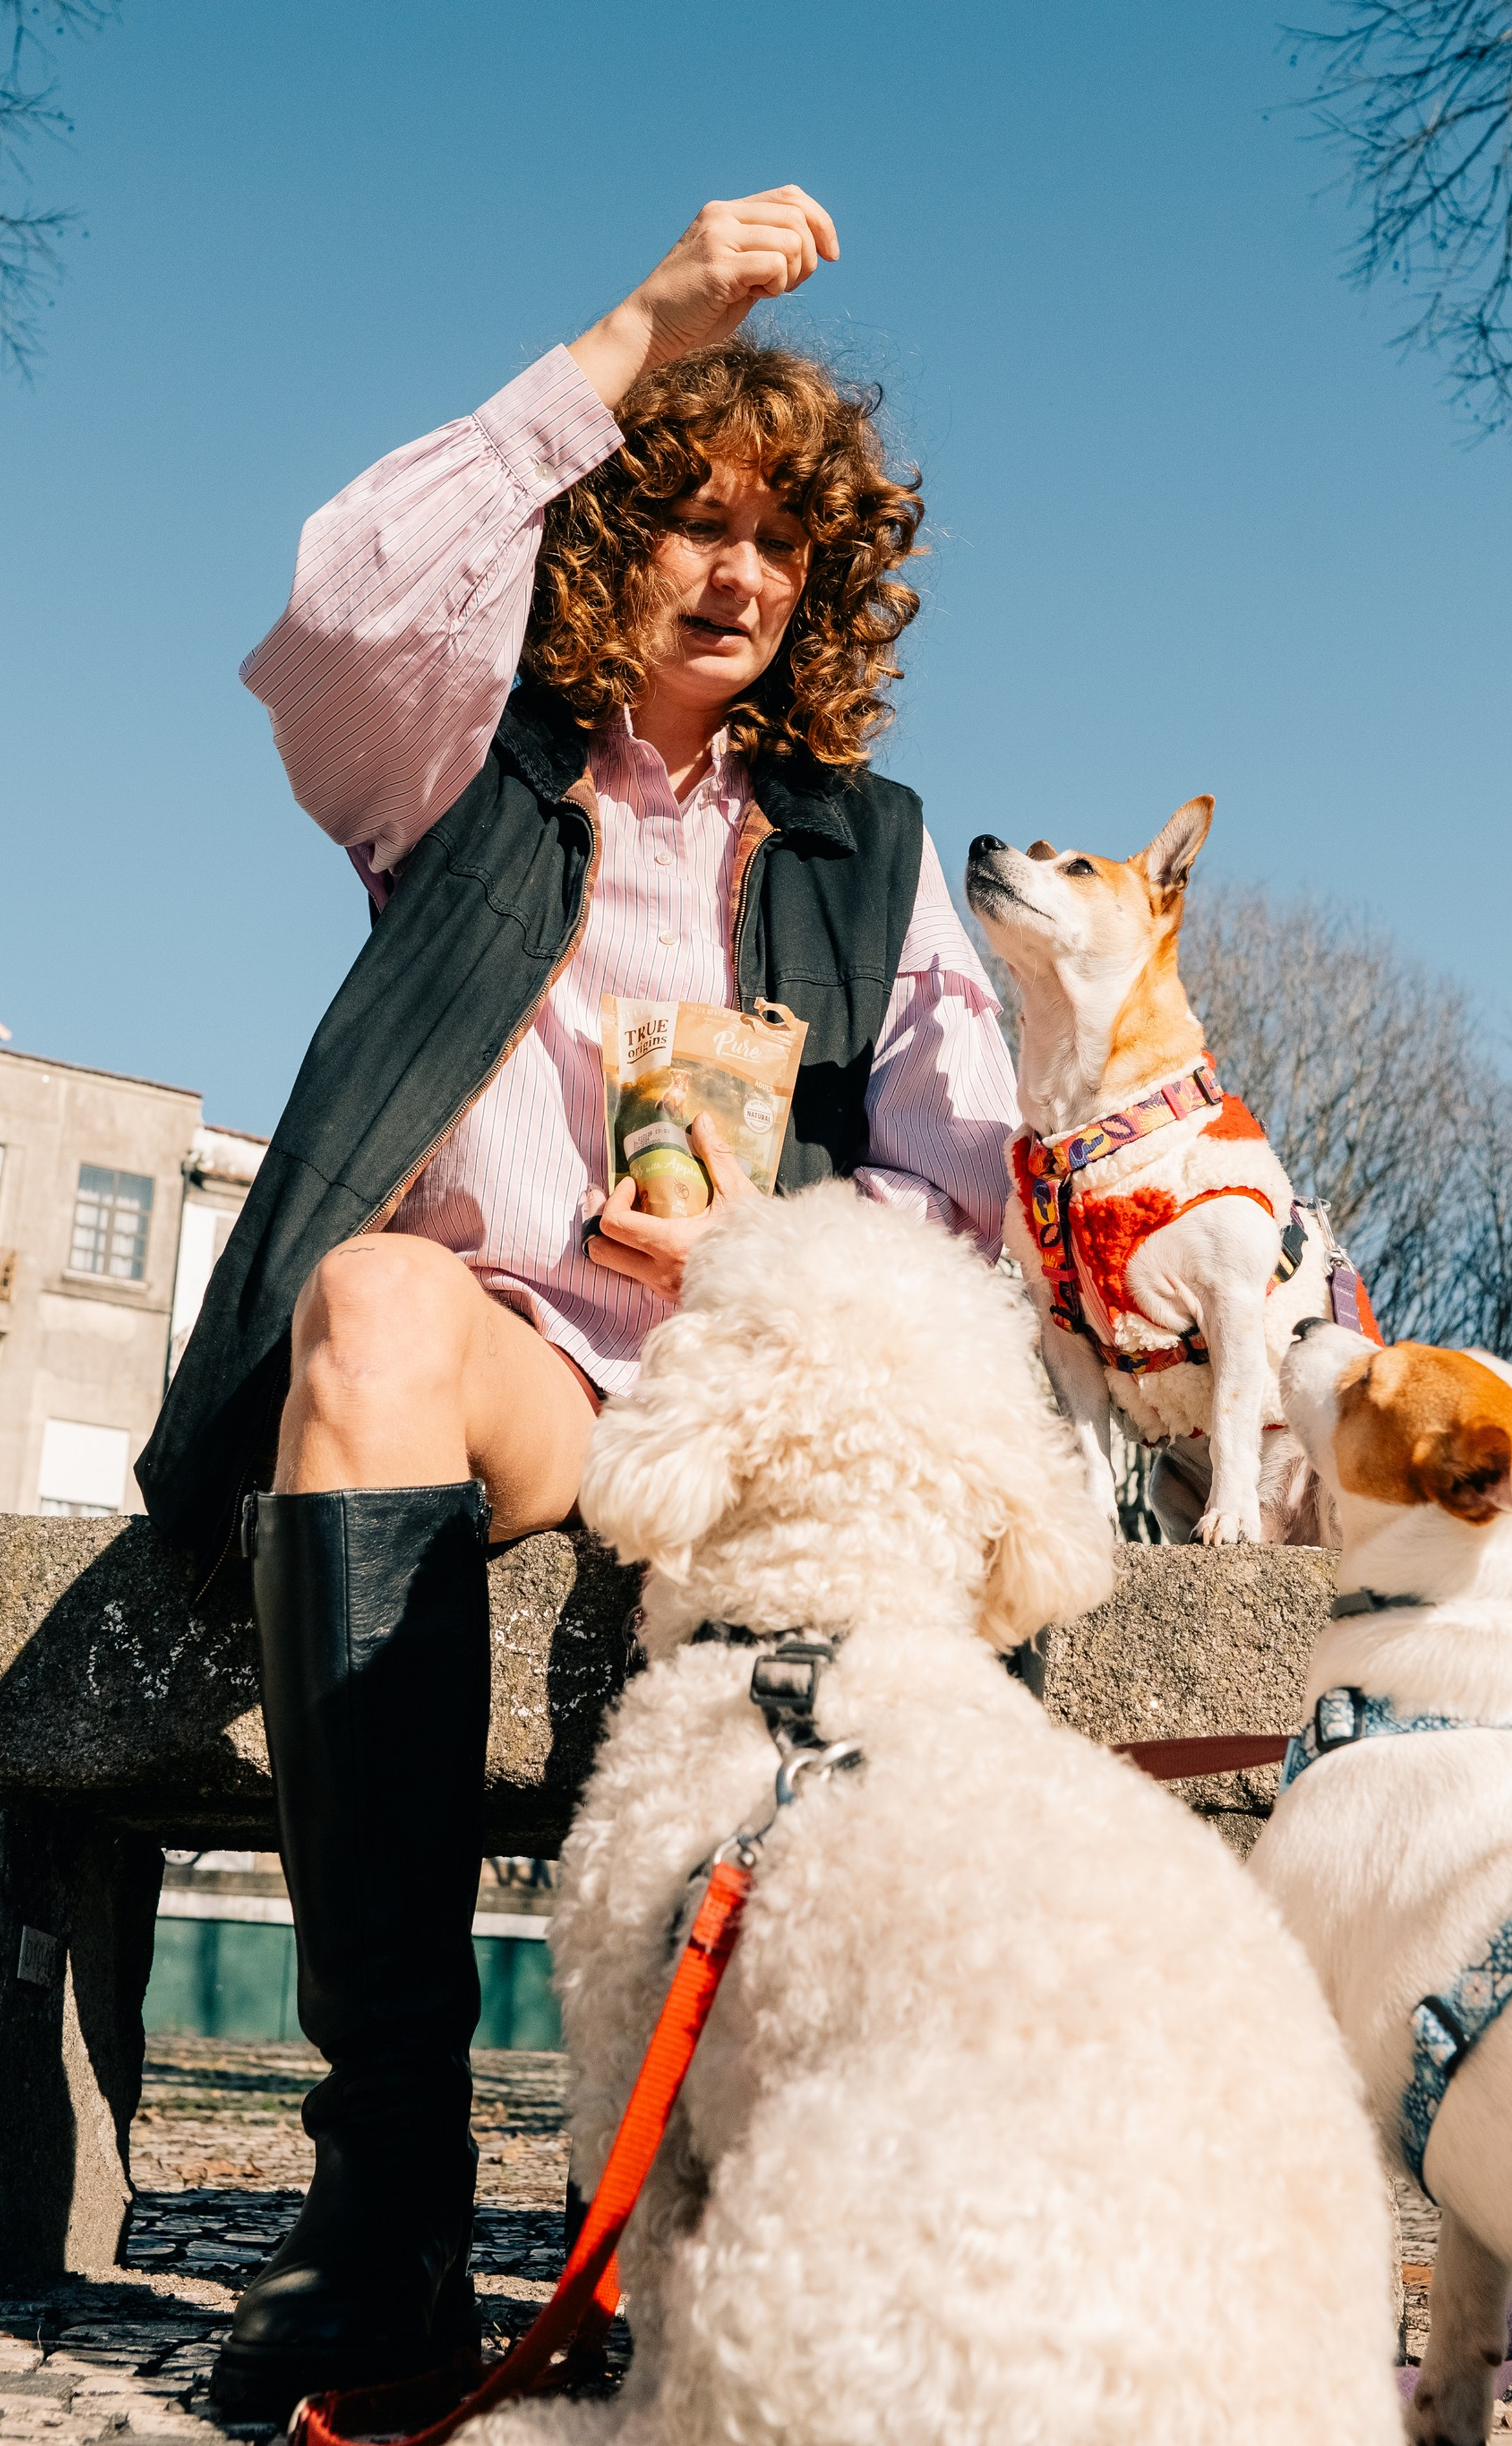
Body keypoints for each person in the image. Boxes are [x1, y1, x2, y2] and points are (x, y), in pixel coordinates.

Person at [136, 188, 1017, 2420]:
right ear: (609, 536)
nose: (734, 573)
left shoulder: (870, 848)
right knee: (362, 1300)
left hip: (757, 1404)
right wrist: (636, 329)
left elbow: (964, 1194)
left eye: (777, 544)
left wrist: (762, 1257)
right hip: (521, 1366)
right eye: (688, 524)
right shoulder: (462, 768)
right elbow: (337, 602)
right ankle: (388, 2200)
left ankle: (715, 2217)